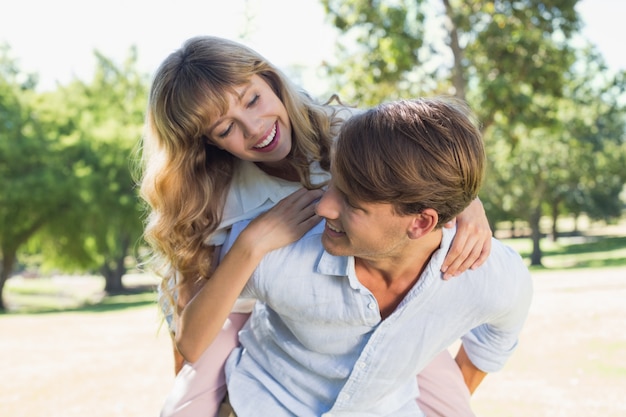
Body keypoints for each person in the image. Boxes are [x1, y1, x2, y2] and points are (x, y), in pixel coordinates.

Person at [139, 36, 493, 416]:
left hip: (365, 299)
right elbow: (191, 340)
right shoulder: (209, 193)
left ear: (270, 80)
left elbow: (429, 178)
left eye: (253, 100)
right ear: (206, 143)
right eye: (226, 129)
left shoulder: (353, 134)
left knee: (450, 403)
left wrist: (470, 203)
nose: (255, 128)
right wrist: (254, 243)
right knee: (183, 408)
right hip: (248, 307)